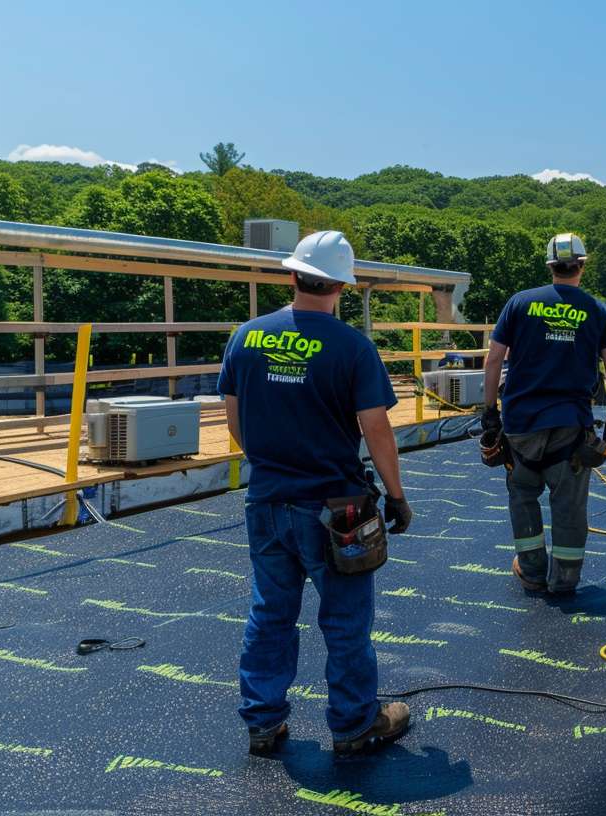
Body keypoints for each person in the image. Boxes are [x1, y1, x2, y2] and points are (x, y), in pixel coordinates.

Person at [219, 230, 414, 760]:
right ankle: (353, 724)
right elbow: (375, 429)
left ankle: (263, 721)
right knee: (346, 618)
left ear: (292, 275)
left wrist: (272, 463)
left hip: (267, 499)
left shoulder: (247, 337)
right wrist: (396, 497)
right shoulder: (352, 346)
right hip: (336, 509)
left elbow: (234, 420)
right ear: (341, 287)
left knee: (270, 612)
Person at [481, 232, 606, 595]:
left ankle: (531, 571)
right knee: (569, 504)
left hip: (521, 425)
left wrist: (489, 412)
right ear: (582, 266)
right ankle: (565, 580)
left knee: (523, 497)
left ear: (550, 266)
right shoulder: (597, 310)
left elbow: (494, 358)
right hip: (569, 426)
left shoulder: (519, 303)